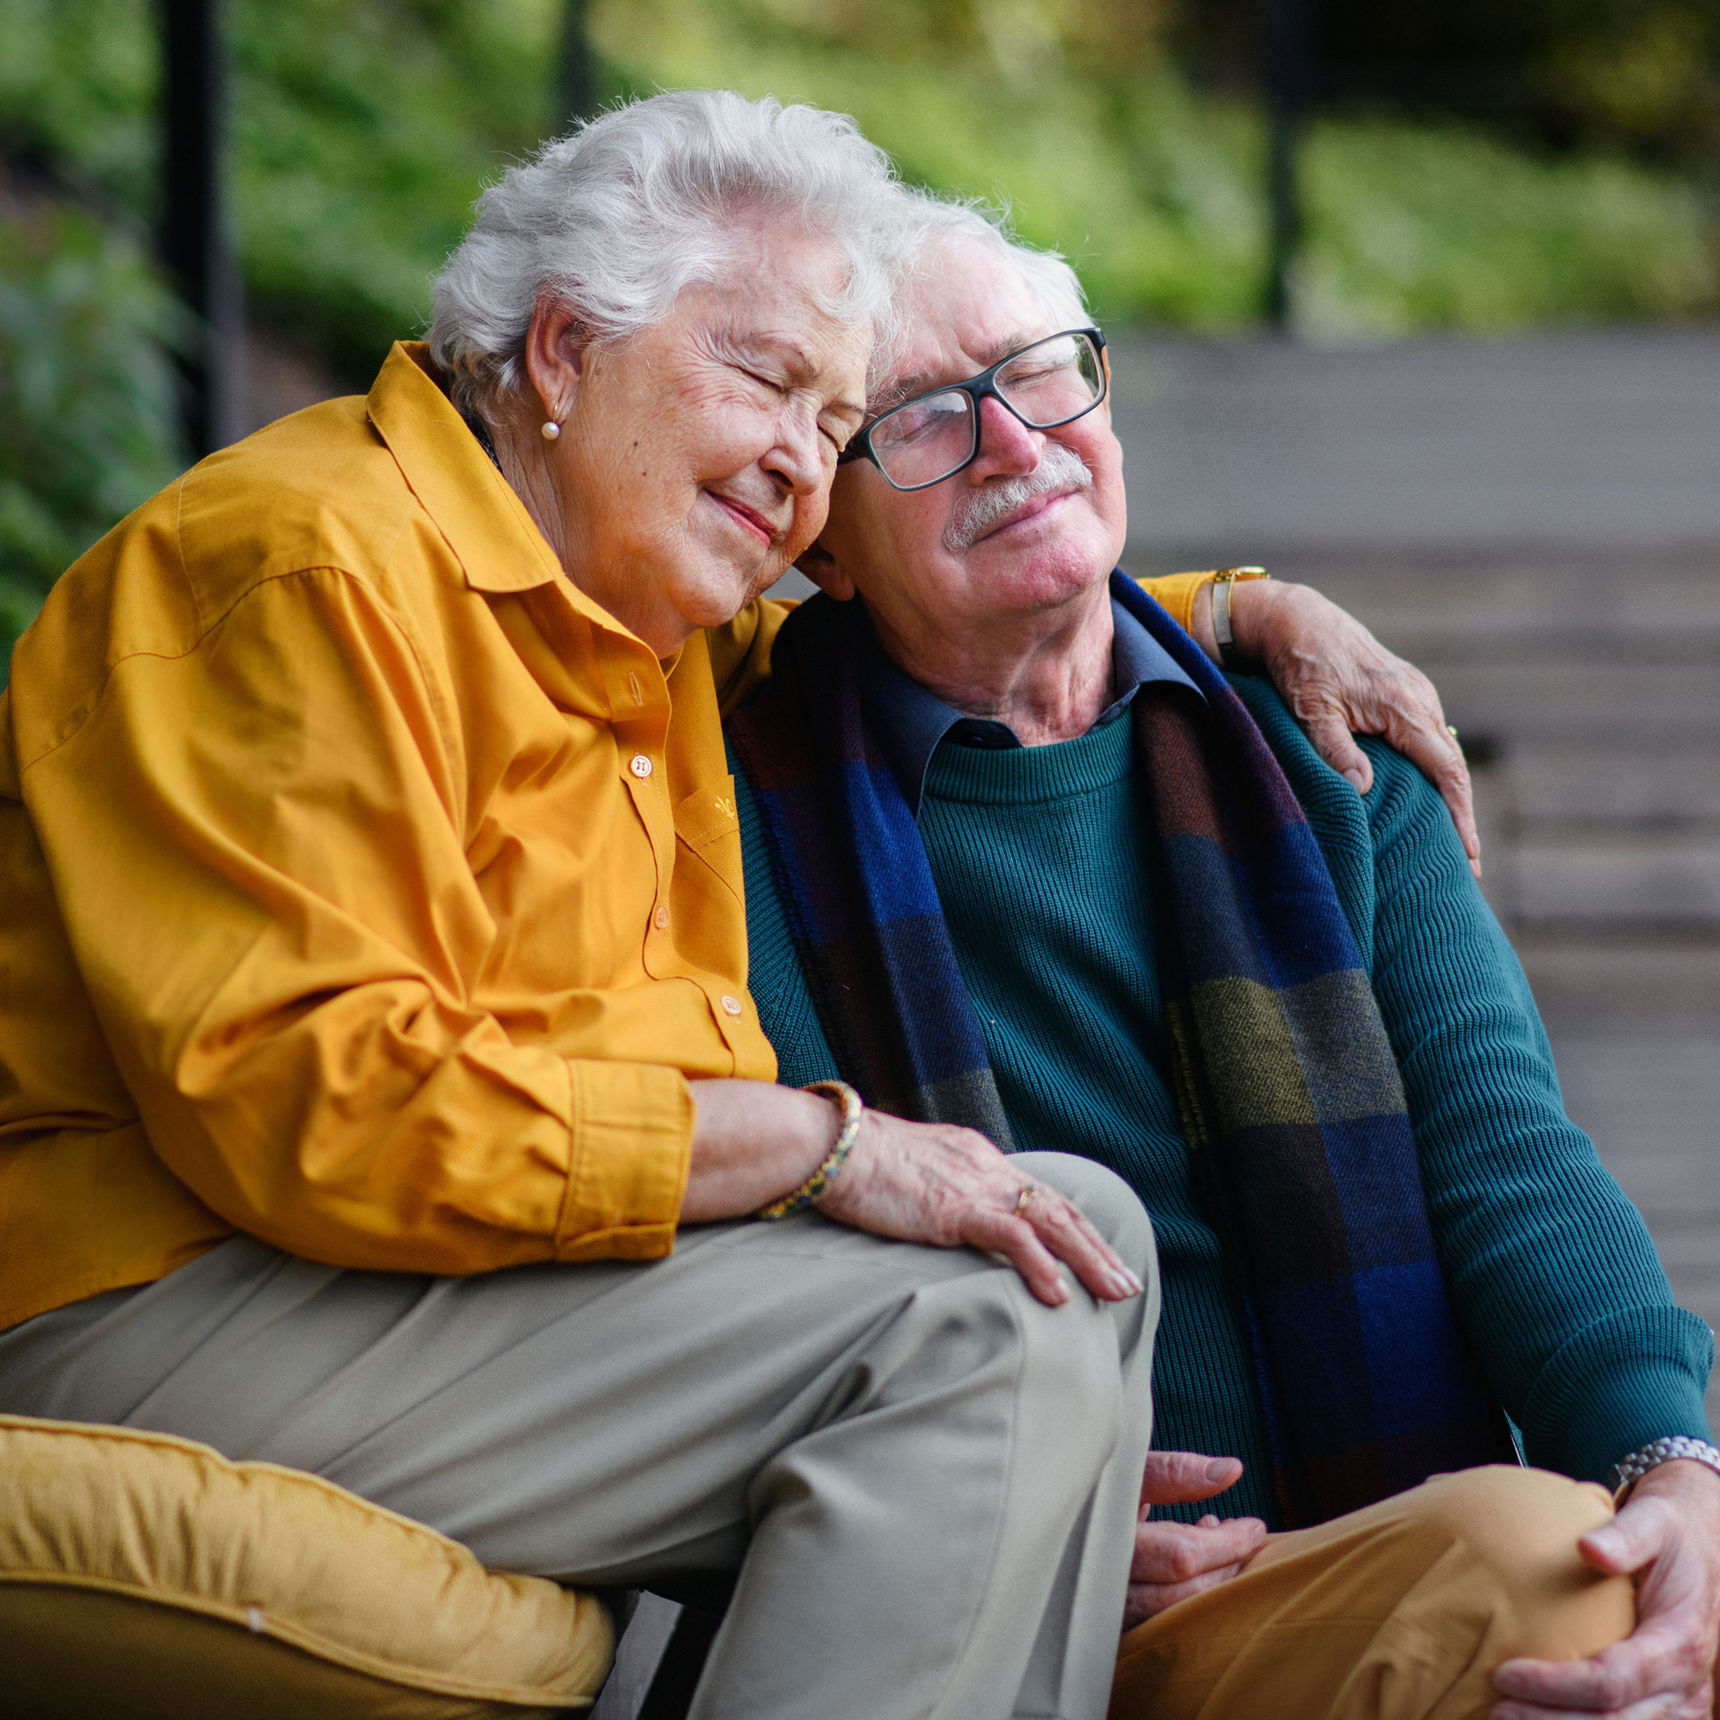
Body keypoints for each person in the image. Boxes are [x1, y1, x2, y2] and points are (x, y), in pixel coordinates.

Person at [0, 91, 1475, 1720]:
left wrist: (1239, 610)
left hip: (431, 1289)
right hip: (171, 1292)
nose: (798, 467)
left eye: (834, 431)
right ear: (563, 354)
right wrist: (824, 1146)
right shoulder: (300, 575)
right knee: (985, 1320)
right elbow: (315, 1110)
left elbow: (950, 618)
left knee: (1068, 1247)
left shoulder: (652, 633)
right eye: (763, 380)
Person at [726, 192, 1720, 1720]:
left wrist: (1674, 1458)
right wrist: (994, 1515)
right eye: (922, 420)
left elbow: (1507, 1157)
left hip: (1368, 1546)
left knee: (1634, 1579)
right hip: (1010, 1606)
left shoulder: (1317, 748)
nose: (1012, 440)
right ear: (821, 548)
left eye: (1041, 370)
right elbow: (749, 1296)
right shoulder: (739, 829)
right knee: (1541, 1568)